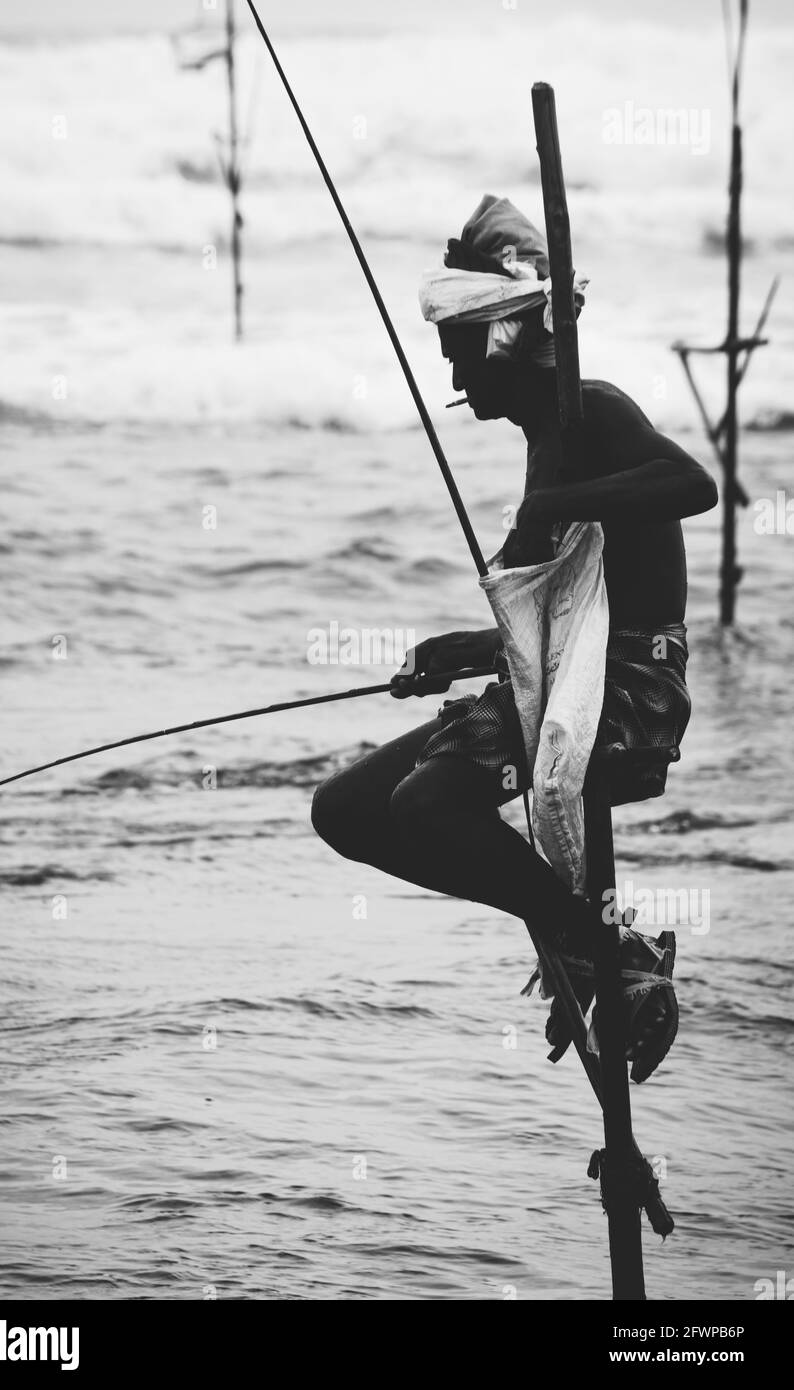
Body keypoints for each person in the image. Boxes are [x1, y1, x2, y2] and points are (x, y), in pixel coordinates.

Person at [311, 196, 718, 1080]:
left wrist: (556, 506)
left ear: (501, 336)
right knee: (343, 809)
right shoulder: (541, 441)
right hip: (557, 680)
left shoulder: (593, 414)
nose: (453, 370)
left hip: (628, 696)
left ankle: (605, 951)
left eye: (459, 346)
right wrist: (463, 648)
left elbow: (695, 485)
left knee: (427, 804)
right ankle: (580, 942)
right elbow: (561, 616)